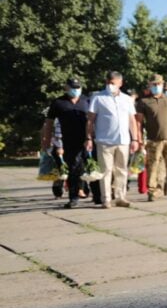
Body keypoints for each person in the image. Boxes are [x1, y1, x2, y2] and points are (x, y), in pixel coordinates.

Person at [86, 72, 140, 208]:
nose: (111, 85)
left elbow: (132, 120)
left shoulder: (127, 99)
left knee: (121, 170)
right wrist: (88, 138)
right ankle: (106, 199)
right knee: (106, 170)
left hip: (123, 141)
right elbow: (90, 120)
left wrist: (135, 139)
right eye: (109, 82)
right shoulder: (98, 98)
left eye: (114, 83)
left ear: (120, 83)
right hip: (104, 141)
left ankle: (120, 197)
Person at [41, 78, 92, 208]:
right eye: (73, 87)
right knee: (73, 169)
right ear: (66, 88)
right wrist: (47, 141)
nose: (76, 90)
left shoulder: (87, 100)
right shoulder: (59, 103)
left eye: (78, 87)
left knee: (90, 168)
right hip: (68, 141)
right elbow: (49, 123)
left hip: (88, 140)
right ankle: (73, 197)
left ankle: (96, 195)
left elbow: (94, 119)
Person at [135, 74, 167, 201]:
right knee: (153, 165)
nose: (157, 86)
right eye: (154, 84)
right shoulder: (143, 102)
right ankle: (153, 190)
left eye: (159, 84)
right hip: (153, 140)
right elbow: (138, 122)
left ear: (162, 84)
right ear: (149, 85)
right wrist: (139, 138)